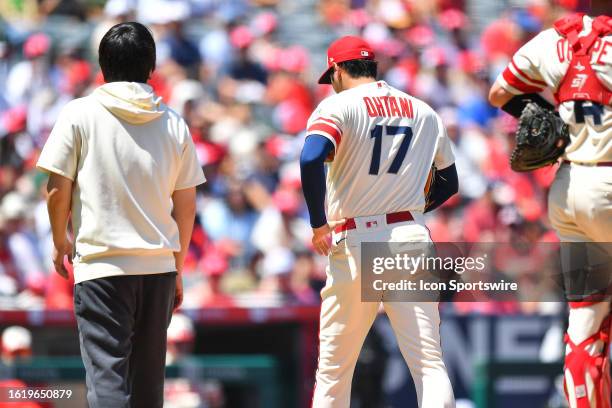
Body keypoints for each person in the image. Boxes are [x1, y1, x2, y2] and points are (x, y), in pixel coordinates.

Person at [36, 22, 206, 408]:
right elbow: (187, 204)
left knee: (108, 379)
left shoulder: (79, 113)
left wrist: (59, 239)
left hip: (103, 266)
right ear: (151, 67)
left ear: (102, 65)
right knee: (148, 388)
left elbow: (56, 188)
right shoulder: (173, 121)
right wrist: (177, 266)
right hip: (158, 266)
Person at [300, 36, 458, 408]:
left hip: (355, 238)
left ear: (337, 70)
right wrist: (409, 207)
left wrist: (318, 223)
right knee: (429, 365)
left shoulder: (338, 105)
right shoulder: (422, 110)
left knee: (334, 370)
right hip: (409, 234)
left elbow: (310, 159)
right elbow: (449, 183)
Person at [488, 5, 611, 408]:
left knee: (585, 322)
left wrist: (543, 115)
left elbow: (499, 92)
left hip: (568, 187)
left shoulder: (555, 39)